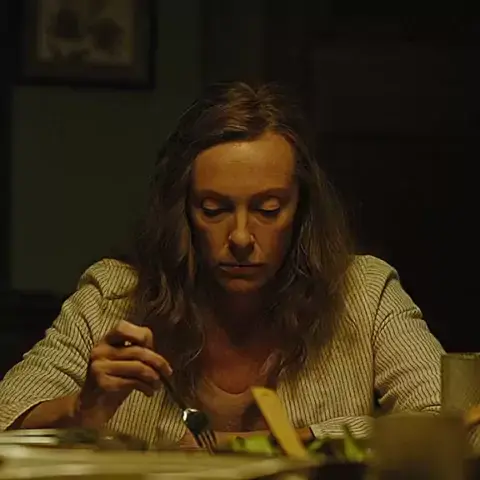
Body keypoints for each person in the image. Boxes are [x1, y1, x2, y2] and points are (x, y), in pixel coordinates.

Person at [0, 81, 444, 449]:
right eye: (214, 209)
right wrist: (82, 410)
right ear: (183, 212)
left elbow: (454, 423)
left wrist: (264, 445)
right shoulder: (114, 297)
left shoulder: (363, 292)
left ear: (302, 211)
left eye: (269, 209)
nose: (242, 238)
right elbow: (6, 418)